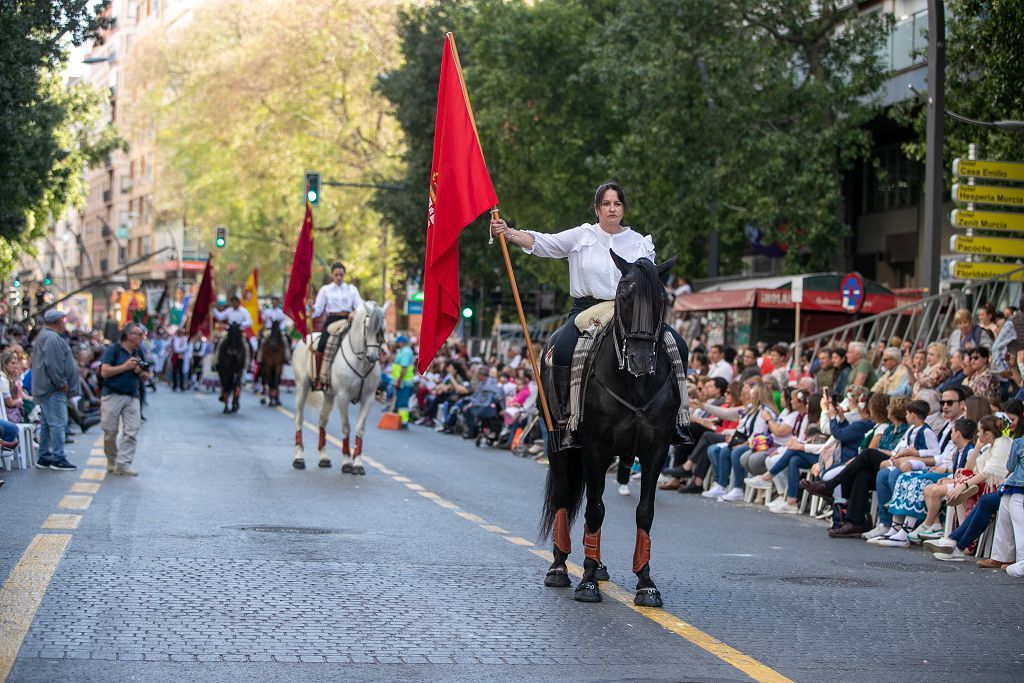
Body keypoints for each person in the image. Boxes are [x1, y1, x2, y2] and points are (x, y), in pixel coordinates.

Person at [489, 181, 689, 449]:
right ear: (597, 209)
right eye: (606, 204)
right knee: (561, 350)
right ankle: (565, 420)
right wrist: (509, 232)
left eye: (617, 203)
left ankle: (676, 419)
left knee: (678, 345)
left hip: (629, 312)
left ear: (623, 209)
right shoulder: (581, 236)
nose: (612, 209)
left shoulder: (640, 242)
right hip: (587, 308)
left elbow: (649, 281)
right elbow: (542, 242)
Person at [98, 322, 152, 476]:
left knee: (132, 430)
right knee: (109, 432)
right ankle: (112, 461)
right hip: (112, 394)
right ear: (129, 335)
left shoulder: (138, 352)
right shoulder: (113, 350)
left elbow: (145, 376)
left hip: (132, 396)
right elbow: (105, 372)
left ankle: (123, 464)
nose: (142, 338)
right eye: (140, 335)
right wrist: (125, 367)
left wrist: (141, 372)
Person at [31, 309, 80, 471]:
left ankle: (44, 456)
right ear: (58, 321)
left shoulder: (47, 336)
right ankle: (58, 457)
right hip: (52, 389)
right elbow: (53, 364)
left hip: (48, 388)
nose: (65, 322)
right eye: (63, 319)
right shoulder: (51, 338)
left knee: (47, 424)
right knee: (58, 423)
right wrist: (61, 383)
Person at [312, 262, 363, 390]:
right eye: (336, 275)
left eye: (341, 274)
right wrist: (309, 309)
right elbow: (318, 309)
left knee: (363, 343)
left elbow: (360, 305)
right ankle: (319, 378)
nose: (339, 277)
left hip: (348, 320)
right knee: (321, 346)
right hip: (332, 320)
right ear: (332, 275)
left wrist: (355, 312)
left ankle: (363, 378)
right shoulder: (325, 290)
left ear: (344, 275)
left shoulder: (352, 289)